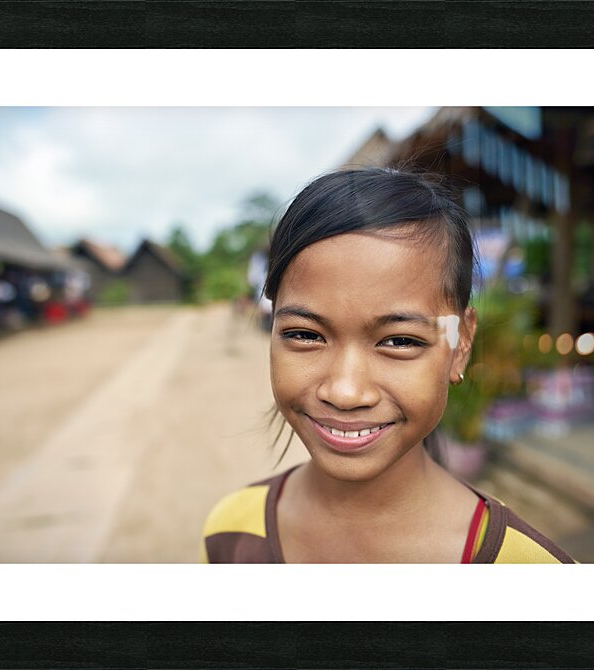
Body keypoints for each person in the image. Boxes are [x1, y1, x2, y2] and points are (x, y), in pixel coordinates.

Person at [201, 168, 575, 564]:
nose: (345, 392)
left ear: (461, 343)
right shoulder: (230, 534)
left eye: (400, 341)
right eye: (306, 335)